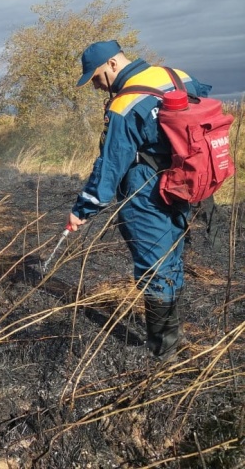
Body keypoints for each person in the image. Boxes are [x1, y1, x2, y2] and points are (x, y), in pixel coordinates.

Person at [67, 40, 211, 363]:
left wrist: (81, 211)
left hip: (146, 194)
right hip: (182, 186)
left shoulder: (125, 105)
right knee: (171, 260)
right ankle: (173, 339)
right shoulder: (177, 76)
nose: (95, 85)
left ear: (114, 65)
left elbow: (108, 172)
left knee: (153, 269)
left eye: (96, 77)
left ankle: (162, 356)